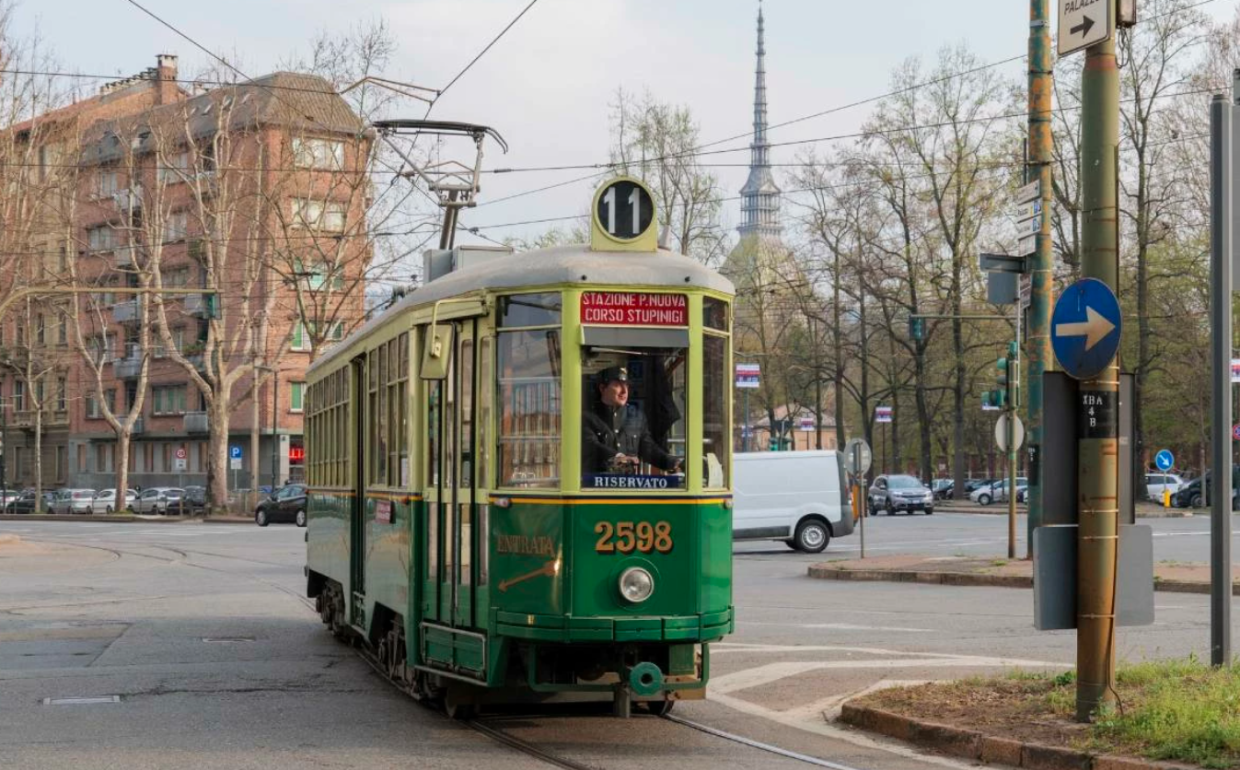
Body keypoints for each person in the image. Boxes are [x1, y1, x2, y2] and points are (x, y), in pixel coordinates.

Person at [583, 366, 683, 474]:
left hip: (628, 484)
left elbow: (647, 448)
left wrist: (672, 462)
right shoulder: (587, 415)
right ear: (602, 388)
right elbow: (591, 445)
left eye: (626, 385)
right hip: (594, 485)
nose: (624, 391)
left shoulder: (636, 416)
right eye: (618, 385)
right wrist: (617, 457)